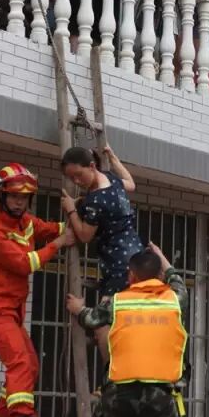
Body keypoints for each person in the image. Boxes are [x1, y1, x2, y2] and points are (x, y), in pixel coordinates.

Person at [62, 243, 188, 417]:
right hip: (158, 399)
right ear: (159, 275)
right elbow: (176, 278)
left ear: (131, 275)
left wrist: (77, 308)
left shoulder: (119, 301)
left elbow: (90, 318)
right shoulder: (175, 300)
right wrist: (161, 256)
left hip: (120, 396)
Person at [0, 163, 75, 417]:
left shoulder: (27, 223)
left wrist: (80, 214)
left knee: (29, 366)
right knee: (20, 363)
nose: (19, 202)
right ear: (2, 195)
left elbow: (55, 228)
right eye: (14, 196)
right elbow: (24, 264)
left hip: (12, 310)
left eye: (24, 197)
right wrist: (58, 244)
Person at [60, 146, 143, 357]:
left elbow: (84, 235)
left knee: (102, 325)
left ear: (91, 166)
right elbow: (131, 183)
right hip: (136, 257)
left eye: (79, 175)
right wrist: (114, 158)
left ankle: (111, 371)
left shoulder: (95, 201)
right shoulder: (111, 179)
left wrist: (71, 209)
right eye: (71, 178)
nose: (76, 181)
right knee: (126, 320)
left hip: (117, 264)